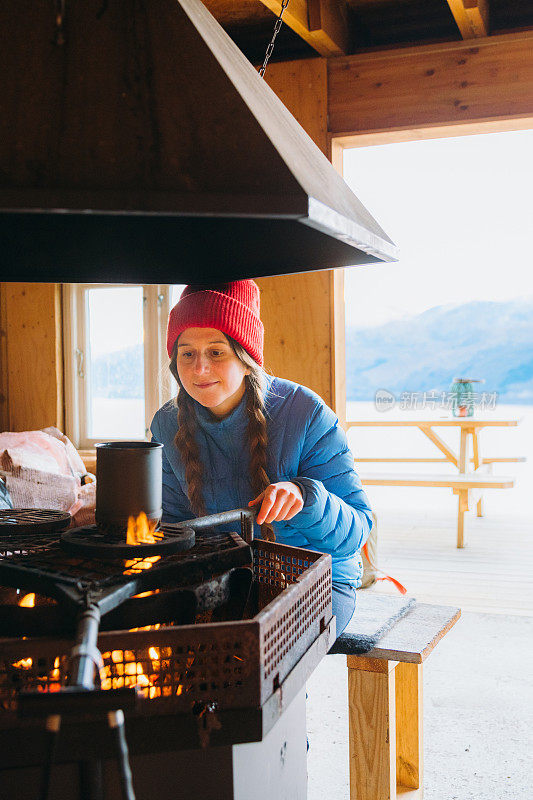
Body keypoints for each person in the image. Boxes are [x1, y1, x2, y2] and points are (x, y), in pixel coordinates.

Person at [150, 281, 373, 636]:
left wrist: (306, 498)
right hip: (226, 579)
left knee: (257, 659)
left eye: (217, 352)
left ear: (247, 358)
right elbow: (174, 527)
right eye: (187, 353)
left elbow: (358, 530)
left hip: (316, 583)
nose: (199, 369)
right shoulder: (167, 423)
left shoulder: (305, 412)